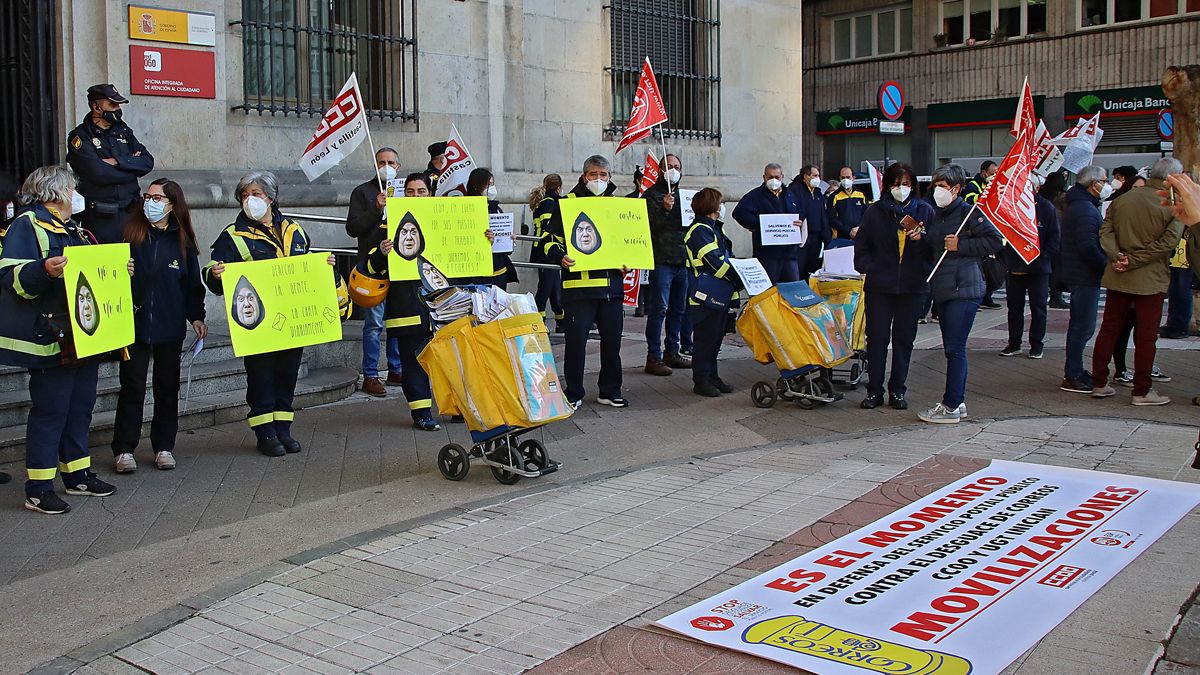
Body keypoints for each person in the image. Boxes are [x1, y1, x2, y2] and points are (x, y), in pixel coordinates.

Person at [0, 166, 126, 514]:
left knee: (79, 407)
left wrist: (116, 270)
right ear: (55, 193)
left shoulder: (76, 230)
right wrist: (43, 270)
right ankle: (38, 488)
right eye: (72, 188)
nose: (75, 194)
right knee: (51, 411)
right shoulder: (28, 225)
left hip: (81, 336)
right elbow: (12, 277)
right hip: (50, 335)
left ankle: (77, 474)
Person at [204, 171, 337, 456]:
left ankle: (283, 429)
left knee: (288, 375)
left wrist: (324, 264)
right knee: (261, 376)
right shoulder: (233, 235)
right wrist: (215, 274)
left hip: (292, 322)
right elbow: (211, 277)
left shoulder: (295, 230)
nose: (249, 200)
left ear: (271, 198)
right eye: (245, 195)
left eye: (256, 194)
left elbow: (308, 268)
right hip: (258, 325)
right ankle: (264, 432)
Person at [111, 178, 207, 473]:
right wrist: (119, 271)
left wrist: (197, 316)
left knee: (167, 387)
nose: (150, 203)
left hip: (169, 325)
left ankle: (164, 446)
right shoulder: (130, 234)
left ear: (171, 204)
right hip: (135, 324)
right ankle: (124, 449)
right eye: (147, 196)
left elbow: (192, 285)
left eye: (157, 198)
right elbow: (107, 276)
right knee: (132, 386)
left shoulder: (183, 242)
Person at [1089, 158, 1185, 406]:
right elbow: (1168, 242)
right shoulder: (1172, 205)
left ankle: (1099, 382)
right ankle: (1141, 390)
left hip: (1118, 273)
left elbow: (1105, 232)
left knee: (1109, 328)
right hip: (1149, 277)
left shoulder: (1123, 199)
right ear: (1171, 178)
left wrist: (1118, 256)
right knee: (1145, 335)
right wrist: (1133, 260)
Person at [540, 155, 628, 408]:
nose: (598, 180)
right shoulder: (566, 204)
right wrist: (560, 256)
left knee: (613, 343)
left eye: (603, 175)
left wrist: (628, 259)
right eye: (593, 175)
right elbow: (547, 240)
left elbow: (625, 242)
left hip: (611, 288)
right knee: (576, 344)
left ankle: (610, 390)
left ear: (609, 177)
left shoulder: (616, 205)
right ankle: (574, 392)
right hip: (578, 290)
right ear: (583, 176)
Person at [919, 164, 1003, 424]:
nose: (938, 191)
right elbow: (933, 248)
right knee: (951, 348)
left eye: (943, 187)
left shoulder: (970, 214)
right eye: (936, 186)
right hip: (942, 288)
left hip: (963, 289)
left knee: (955, 349)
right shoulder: (936, 215)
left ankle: (951, 404)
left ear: (956, 188)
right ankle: (958, 400)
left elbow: (995, 241)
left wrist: (961, 245)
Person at [853, 162, 934, 410]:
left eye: (907, 184)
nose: (902, 189)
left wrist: (922, 240)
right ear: (888, 185)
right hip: (880, 286)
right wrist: (870, 266)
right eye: (898, 184)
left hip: (912, 287)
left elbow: (934, 249)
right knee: (876, 339)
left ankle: (897, 390)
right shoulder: (875, 212)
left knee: (904, 340)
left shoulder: (924, 210)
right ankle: (874, 390)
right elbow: (862, 247)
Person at [363, 173, 441, 431]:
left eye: (421, 191)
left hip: (443, 305)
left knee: (449, 360)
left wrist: (486, 241)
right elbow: (369, 265)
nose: (416, 195)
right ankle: (421, 413)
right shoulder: (388, 225)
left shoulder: (446, 220)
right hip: (407, 305)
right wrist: (382, 253)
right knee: (413, 360)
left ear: (429, 194)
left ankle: (455, 407)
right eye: (410, 191)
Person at [346, 148, 404, 398]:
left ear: (398, 167)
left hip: (401, 267)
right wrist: (376, 208)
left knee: (397, 322)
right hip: (373, 270)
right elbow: (353, 227)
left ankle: (396, 368)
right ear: (375, 165)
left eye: (391, 162)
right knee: (374, 325)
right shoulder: (363, 192)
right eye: (382, 162)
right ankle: (370, 374)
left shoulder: (406, 191)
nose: (387, 166)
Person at [66, 84, 154, 244]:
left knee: (135, 263)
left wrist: (117, 161)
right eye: (112, 104)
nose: (117, 109)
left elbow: (147, 162)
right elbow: (98, 173)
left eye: (119, 104)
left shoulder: (124, 131)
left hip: (132, 214)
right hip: (101, 218)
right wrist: (131, 168)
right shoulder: (80, 137)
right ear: (96, 107)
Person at [1059, 165, 1111, 394]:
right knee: (1083, 326)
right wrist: (1105, 266)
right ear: (1093, 184)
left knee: (1080, 325)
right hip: (1084, 275)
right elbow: (1088, 246)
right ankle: (1073, 373)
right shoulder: (1085, 210)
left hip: (1080, 273)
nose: (1107, 184)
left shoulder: (1082, 206)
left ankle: (1075, 370)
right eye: (1104, 180)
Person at [684, 188, 739, 397]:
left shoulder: (715, 228)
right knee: (704, 340)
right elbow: (715, 262)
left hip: (719, 292)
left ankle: (712, 377)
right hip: (705, 295)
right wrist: (738, 278)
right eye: (721, 202)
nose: (723, 206)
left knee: (715, 339)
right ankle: (701, 380)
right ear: (713, 206)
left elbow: (727, 256)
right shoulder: (699, 230)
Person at [643, 153, 693, 376]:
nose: (673, 170)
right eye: (669, 166)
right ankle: (653, 356)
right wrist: (663, 209)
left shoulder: (685, 196)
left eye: (676, 166)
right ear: (661, 170)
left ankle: (672, 351)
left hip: (682, 260)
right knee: (659, 309)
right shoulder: (651, 195)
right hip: (661, 259)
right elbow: (647, 226)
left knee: (678, 309)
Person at [999, 173, 1060, 359]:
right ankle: (1014, 343)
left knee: (1038, 308)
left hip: (1039, 269)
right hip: (1015, 267)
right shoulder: (1012, 206)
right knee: (1014, 308)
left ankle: (1036, 345)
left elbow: (1054, 239)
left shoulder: (1046, 208)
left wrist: (1041, 257)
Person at [732, 163, 804, 283]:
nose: (774, 180)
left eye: (777, 177)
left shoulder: (790, 194)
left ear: (782, 177)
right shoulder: (755, 195)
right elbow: (739, 213)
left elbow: (800, 212)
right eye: (770, 177)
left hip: (789, 253)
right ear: (764, 177)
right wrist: (758, 224)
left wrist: (799, 221)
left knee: (792, 288)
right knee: (769, 290)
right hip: (767, 254)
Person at [465, 167, 518, 287]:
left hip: (499, 270)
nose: (492, 189)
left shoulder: (496, 209)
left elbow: (507, 250)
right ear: (476, 186)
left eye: (492, 184)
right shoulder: (466, 210)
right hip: (476, 273)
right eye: (488, 185)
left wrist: (509, 239)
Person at [963, 161, 1001, 309]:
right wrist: (987, 193)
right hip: (976, 230)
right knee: (980, 267)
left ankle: (987, 296)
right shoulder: (973, 185)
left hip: (990, 229)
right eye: (992, 173)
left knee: (991, 266)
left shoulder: (994, 186)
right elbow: (972, 202)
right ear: (983, 172)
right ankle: (980, 297)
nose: (993, 176)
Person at [529, 174, 565, 332]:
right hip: (547, 250)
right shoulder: (551, 203)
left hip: (545, 250)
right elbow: (550, 229)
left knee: (554, 287)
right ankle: (539, 320)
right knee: (545, 287)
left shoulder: (544, 202)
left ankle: (561, 320)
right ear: (558, 187)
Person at [788, 165, 833, 276]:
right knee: (800, 269)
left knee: (813, 269)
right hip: (803, 238)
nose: (818, 178)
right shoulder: (795, 191)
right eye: (815, 175)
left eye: (818, 175)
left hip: (817, 238)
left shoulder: (818, 193)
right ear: (806, 177)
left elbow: (823, 215)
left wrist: (827, 238)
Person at [1041, 171, 1072, 309]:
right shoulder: (1063, 198)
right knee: (1057, 268)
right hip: (1060, 235)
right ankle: (1056, 295)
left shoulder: (1043, 195)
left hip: (1045, 235)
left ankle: (1051, 293)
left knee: (1049, 268)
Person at [827, 166, 868, 248]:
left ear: (853, 178)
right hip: (841, 239)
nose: (845, 180)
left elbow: (866, 214)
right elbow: (832, 218)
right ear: (839, 178)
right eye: (843, 177)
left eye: (848, 177)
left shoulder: (861, 195)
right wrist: (849, 231)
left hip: (860, 236)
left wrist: (859, 228)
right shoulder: (834, 197)